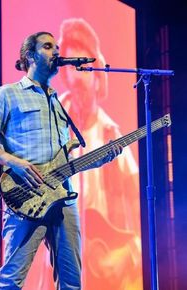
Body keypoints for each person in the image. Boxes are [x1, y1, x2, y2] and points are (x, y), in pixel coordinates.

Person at [0, 31, 122, 290]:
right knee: (10, 283)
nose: (56, 52)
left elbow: (64, 160)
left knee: (72, 284)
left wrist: (98, 160)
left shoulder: (59, 103)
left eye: (57, 47)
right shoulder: (8, 94)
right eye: (48, 47)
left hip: (64, 199)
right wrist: (13, 161)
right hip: (25, 199)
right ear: (30, 56)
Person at [58, 18, 142, 290]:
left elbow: (138, 228)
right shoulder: (53, 119)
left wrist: (125, 255)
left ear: (97, 77)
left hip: (106, 276)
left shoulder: (112, 136)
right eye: (70, 67)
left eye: (82, 68)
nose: (75, 76)